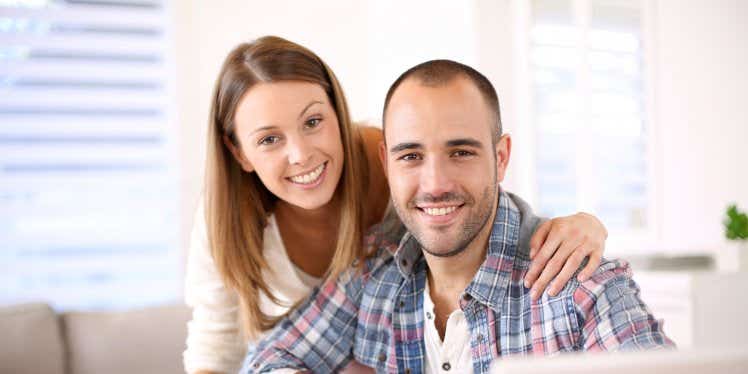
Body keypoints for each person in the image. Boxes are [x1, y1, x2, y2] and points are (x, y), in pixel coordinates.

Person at [183, 36, 611, 374]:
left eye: (314, 122)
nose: (301, 155)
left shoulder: (399, 172)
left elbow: (479, 213)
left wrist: (582, 223)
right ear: (239, 153)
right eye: (269, 139)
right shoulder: (230, 217)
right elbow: (221, 347)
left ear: (338, 112)